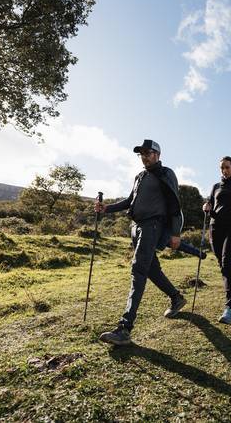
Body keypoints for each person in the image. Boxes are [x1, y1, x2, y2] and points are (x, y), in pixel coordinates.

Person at [95, 139, 186, 346]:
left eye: (148, 152)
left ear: (157, 155)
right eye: (141, 153)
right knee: (151, 269)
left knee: (138, 270)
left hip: (153, 226)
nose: (144, 156)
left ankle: (124, 329)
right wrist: (106, 208)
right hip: (137, 228)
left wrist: (175, 232)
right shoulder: (140, 176)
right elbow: (129, 202)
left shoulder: (166, 173)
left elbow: (174, 204)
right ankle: (177, 298)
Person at [202, 156, 231, 325]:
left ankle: (230, 307)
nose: (224, 170)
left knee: (227, 262)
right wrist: (206, 208)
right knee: (223, 265)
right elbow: (210, 205)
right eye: (222, 168)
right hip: (215, 228)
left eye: (227, 167)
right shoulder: (215, 187)